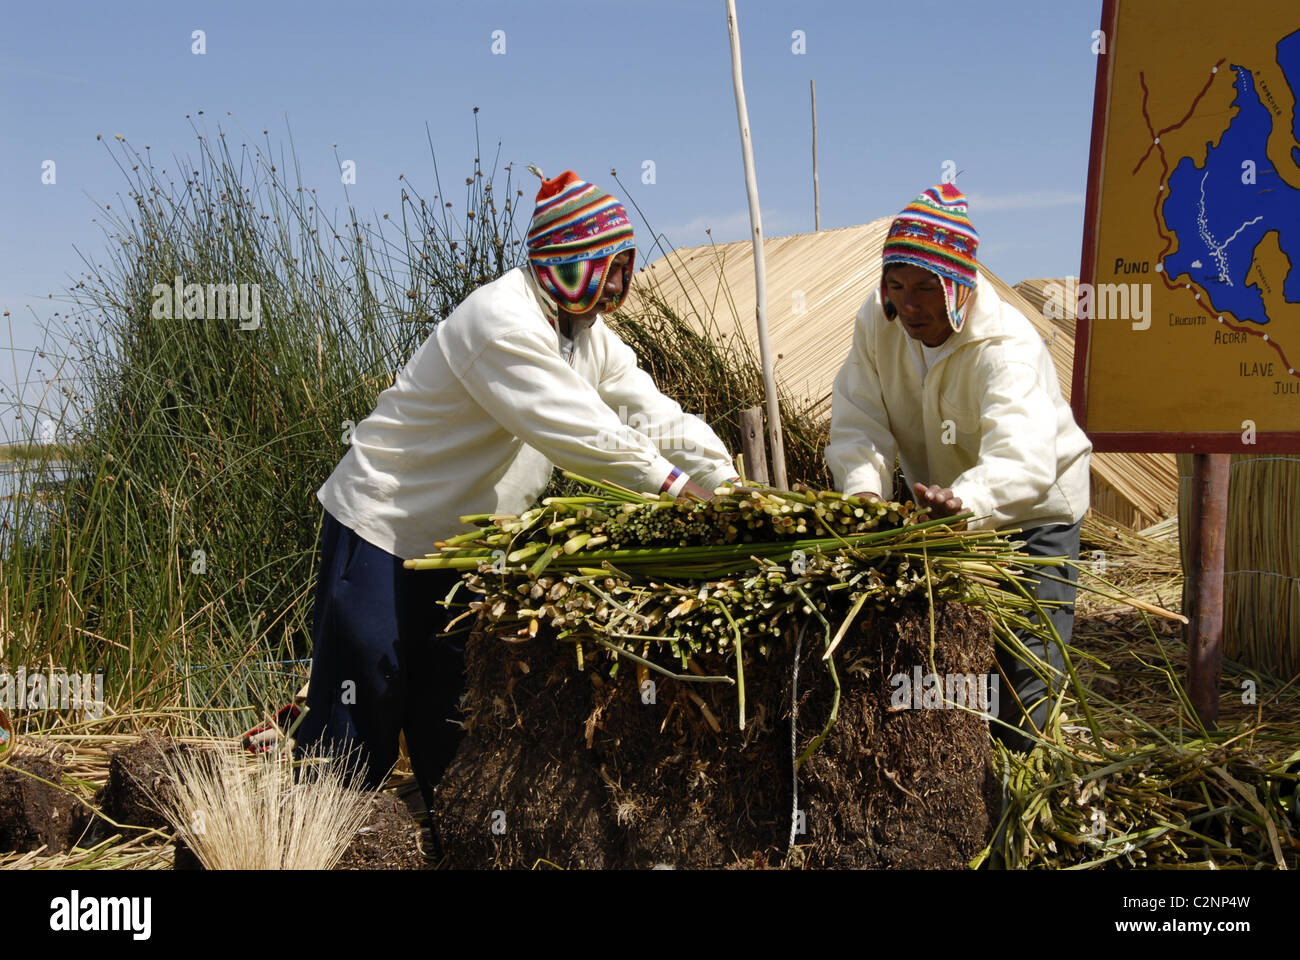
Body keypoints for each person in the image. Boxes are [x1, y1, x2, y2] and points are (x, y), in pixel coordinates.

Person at [298, 169, 740, 808]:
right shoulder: (501, 321)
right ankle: (310, 841)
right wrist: (673, 489)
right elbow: (578, 429)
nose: (618, 284)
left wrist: (727, 486)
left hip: (468, 555)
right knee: (356, 718)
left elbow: (652, 412)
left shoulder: (587, 337)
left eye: (624, 266)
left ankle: (444, 841)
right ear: (566, 262)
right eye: (607, 266)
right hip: (385, 532)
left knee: (450, 727)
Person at [825, 182, 1092, 752]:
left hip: (1032, 510)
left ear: (960, 287)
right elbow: (860, 421)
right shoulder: (879, 324)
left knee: (1027, 669)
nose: (910, 304)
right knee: (955, 661)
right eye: (896, 285)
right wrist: (865, 494)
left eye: (926, 288)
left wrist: (966, 502)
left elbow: (1022, 458)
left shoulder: (1006, 346)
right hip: (944, 513)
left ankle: (1028, 778)